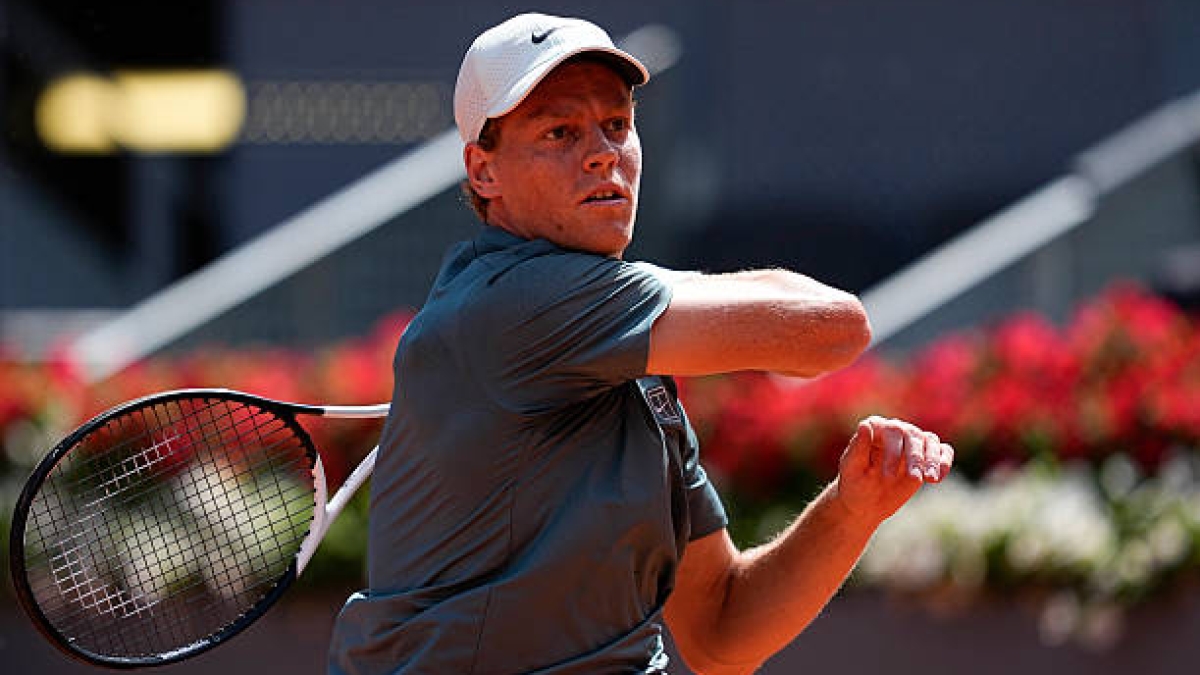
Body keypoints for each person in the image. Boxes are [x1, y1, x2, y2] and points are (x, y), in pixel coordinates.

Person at [328, 12, 954, 675]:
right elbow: (835, 328)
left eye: (617, 125)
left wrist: (851, 511)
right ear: (484, 172)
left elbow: (721, 631)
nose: (602, 152)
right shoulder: (517, 305)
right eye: (560, 132)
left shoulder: (633, 362)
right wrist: (671, 286)